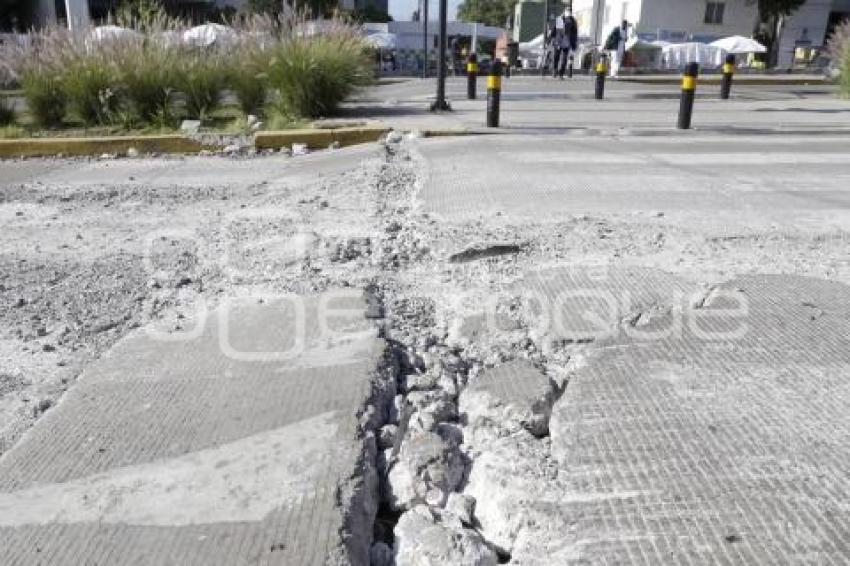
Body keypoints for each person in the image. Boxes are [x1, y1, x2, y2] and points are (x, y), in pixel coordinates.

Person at [549, 9, 579, 79]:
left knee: (564, 58)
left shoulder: (573, 20)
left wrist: (574, 43)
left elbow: (574, 33)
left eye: (570, 12)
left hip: (567, 42)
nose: (569, 13)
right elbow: (556, 31)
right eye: (568, 12)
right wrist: (551, 39)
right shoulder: (560, 19)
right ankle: (555, 70)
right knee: (556, 57)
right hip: (559, 41)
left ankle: (561, 74)